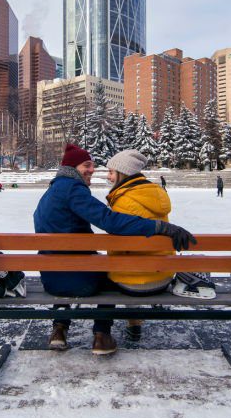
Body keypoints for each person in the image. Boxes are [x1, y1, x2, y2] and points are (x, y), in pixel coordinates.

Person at [34, 144, 196, 356]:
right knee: (110, 272)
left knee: (76, 263)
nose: (92, 170)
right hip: (77, 279)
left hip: (50, 278)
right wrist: (159, 227)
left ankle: (59, 329)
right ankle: (102, 335)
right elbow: (109, 221)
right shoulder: (73, 190)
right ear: (73, 168)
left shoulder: (52, 191)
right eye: (87, 165)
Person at [105, 149, 174, 343]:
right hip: (162, 277)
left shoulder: (121, 201)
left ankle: (127, 324)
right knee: (137, 264)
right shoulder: (157, 195)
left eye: (111, 172)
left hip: (130, 284)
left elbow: (116, 249)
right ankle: (136, 321)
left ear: (123, 173)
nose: (108, 177)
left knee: (123, 267)